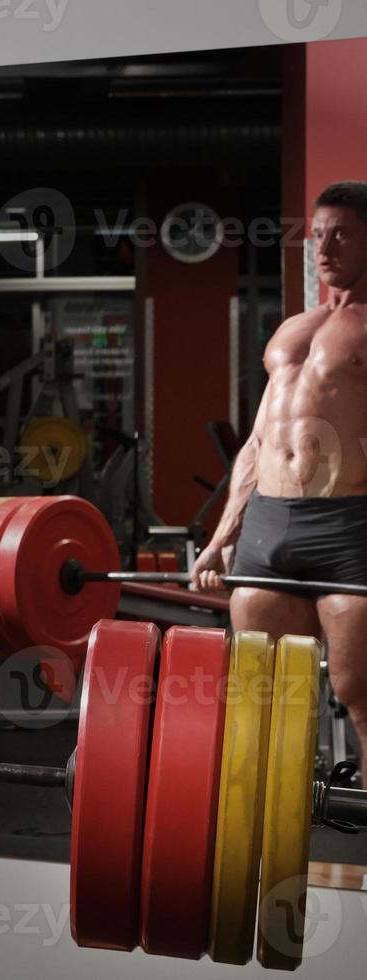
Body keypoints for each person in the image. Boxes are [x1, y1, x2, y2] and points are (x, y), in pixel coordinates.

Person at [193, 180, 367, 771]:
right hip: (270, 524)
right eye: (319, 233)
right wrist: (222, 539)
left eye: (342, 232)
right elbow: (258, 442)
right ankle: (269, 846)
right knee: (264, 698)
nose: (325, 246)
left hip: (348, 524)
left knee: (360, 698)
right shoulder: (294, 328)